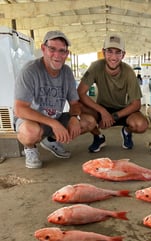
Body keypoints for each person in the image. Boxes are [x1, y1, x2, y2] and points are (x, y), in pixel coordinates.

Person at [14, 30, 96, 169]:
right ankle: (30, 148)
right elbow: (20, 109)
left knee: (89, 121)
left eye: (62, 51)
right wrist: (54, 124)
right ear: (43, 49)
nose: (57, 55)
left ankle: (50, 140)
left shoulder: (67, 72)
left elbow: (74, 103)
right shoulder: (30, 71)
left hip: (55, 118)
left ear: (67, 54)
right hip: (33, 121)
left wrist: (74, 117)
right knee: (30, 132)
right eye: (52, 49)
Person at [77, 34, 149, 153]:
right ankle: (98, 136)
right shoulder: (95, 67)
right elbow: (80, 92)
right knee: (78, 108)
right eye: (109, 51)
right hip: (101, 108)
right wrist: (103, 112)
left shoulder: (129, 72)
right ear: (103, 52)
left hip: (122, 110)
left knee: (141, 125)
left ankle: (127, 131)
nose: (113, 57)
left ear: (123, 55)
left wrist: (114, 116)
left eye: (118, 52)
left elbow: (136, 104)